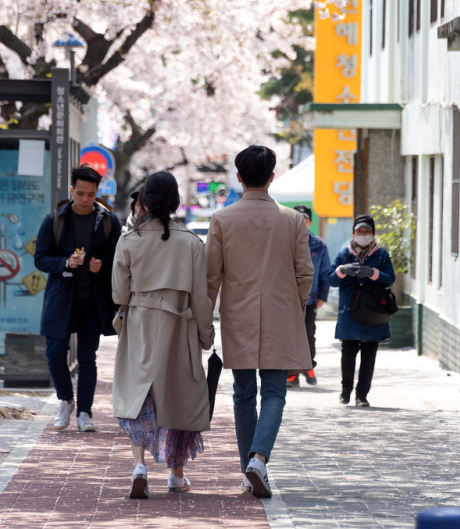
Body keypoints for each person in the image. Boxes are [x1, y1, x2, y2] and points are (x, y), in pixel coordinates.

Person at [206, 145, 313, 498]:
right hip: (282, 314)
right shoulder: (293, 219)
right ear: (272, 176)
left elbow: (212, 277)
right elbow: (305, 273)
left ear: (238, 177)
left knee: (242, 394)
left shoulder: (222, 219)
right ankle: (259, 459)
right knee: (274, 393)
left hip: (238, 315)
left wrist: (205, 318)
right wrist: (295, 307)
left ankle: (246, 468)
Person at [112, 171, 214, 499]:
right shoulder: (191, 243)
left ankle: (139, 466)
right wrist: (206, 334)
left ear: (144, 201)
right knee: (179, 396)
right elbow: (201, 297)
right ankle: (176, 474)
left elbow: (118, 294)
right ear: (175, 202)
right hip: (179, 327)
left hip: (139, 326)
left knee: (139, 395)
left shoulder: (128, 241)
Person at [34, 165, 122, 432]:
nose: (85, 199)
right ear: (72, 190)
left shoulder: (108, 221)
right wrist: (64, 262)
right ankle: (65, 400)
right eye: (81, 193)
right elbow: (40, 258)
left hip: (92, 301)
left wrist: (102, 265)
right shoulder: (56, 219)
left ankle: (84, 411)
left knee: (87, 358)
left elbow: (119, 259)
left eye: (91, 194)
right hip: (62, 297)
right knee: (55, 352)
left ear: (97, 193)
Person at [330, 214, 396, 407]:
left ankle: (362, 395)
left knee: (369, 356)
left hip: (373, 312)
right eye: (359, 231)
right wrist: (342, 270)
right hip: (349, 312)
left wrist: (373, 273)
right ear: (353, 233)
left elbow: (390, 279)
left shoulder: (381, 255)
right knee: (348, 353)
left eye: (367, 231)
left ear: (373, 233)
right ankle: (345, 391)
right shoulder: (344, 254)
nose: (363, 235)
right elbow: (331, 279)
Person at [287, 205, 330, 388]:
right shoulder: (284, 241)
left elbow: (326, 272)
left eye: (305, 220)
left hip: (310, 298)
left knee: (308, 334)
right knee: (289, 336)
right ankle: (292, 374)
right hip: (287, 299)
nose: (302, 223)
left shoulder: (319, 245)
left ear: (310, 222)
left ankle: (309, 366)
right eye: (298, 219)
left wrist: (322, 296)